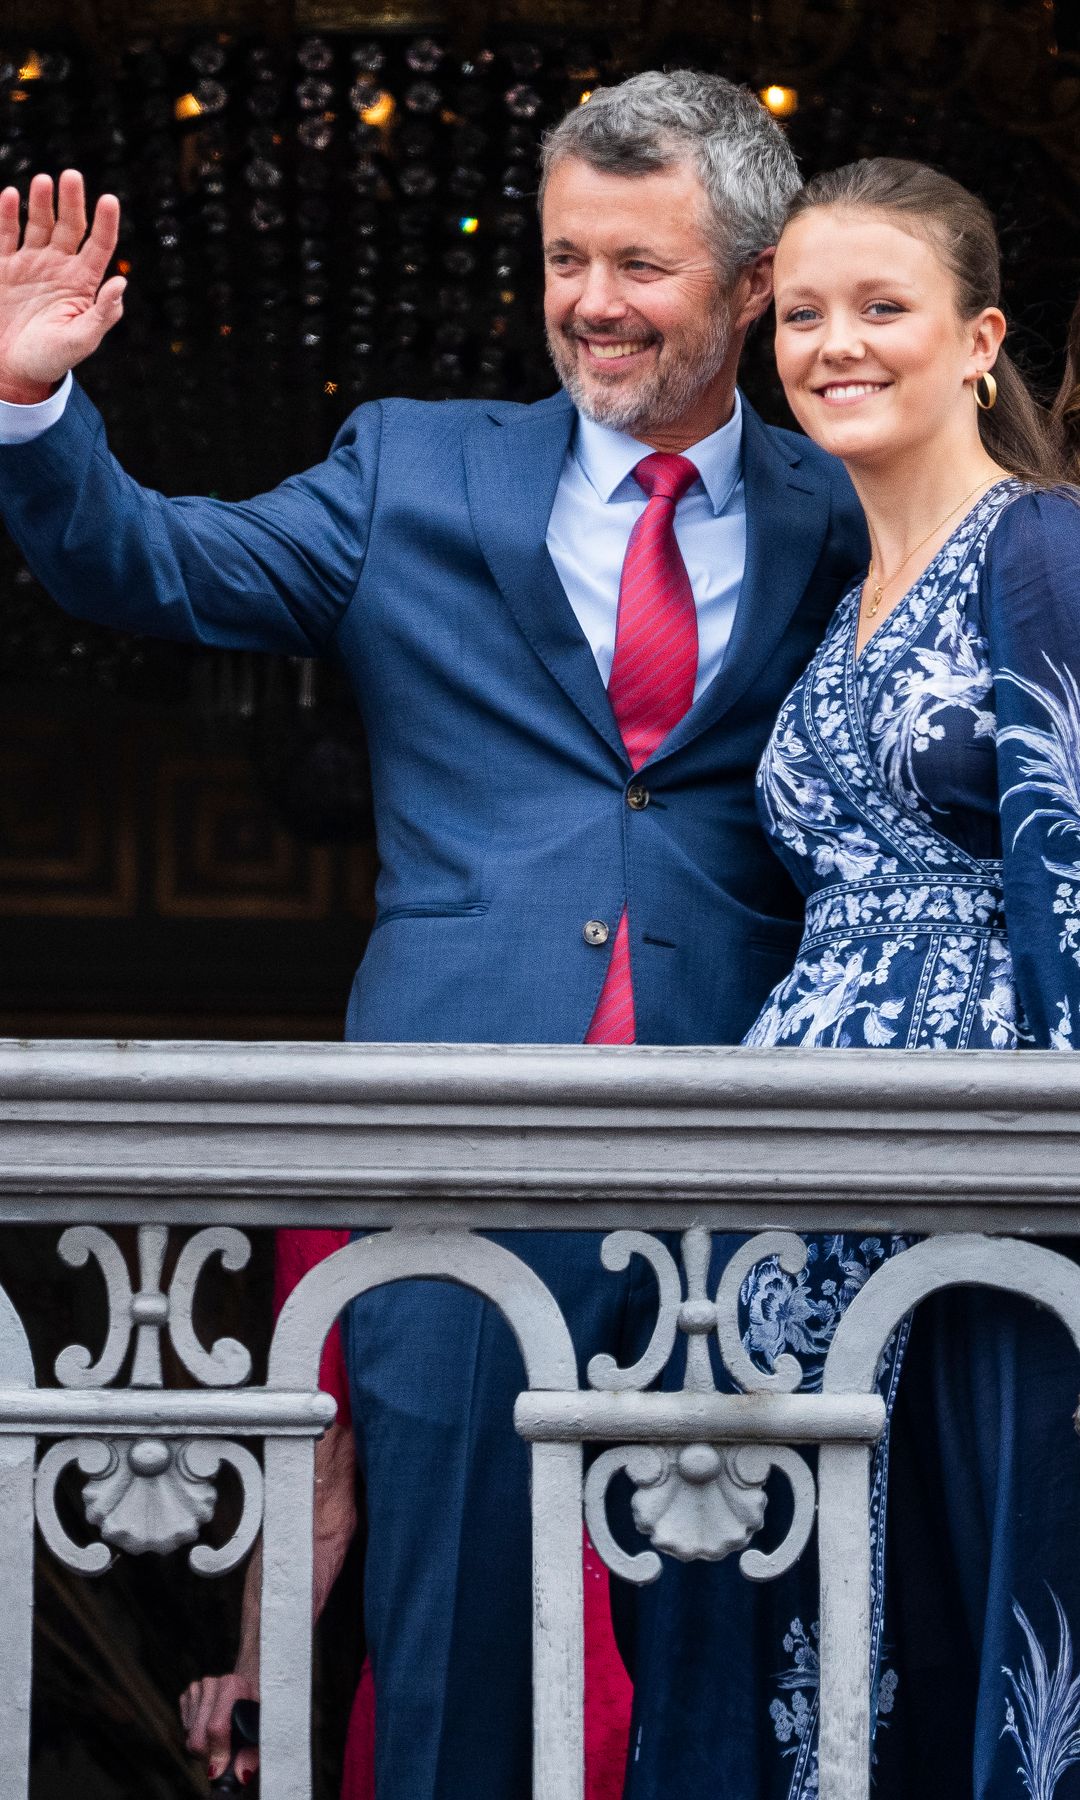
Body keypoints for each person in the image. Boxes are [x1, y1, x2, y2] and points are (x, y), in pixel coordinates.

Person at [0, 71, 868, 1799]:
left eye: (643, 264)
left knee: (750, 1624)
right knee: (461, 1612)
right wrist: (33, 407)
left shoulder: (839, 499)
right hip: (455, 1130)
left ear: (755, 284)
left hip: (757, 1139)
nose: (593, 303)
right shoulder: (408, 463)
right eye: (565, 259)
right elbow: (153, 567)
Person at [626, 159, 1080, 1800]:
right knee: (795, 1629)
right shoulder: (833, 609)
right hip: (799, 1189)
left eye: (883, 308)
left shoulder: (1047, 557)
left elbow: (1075, 884)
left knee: (971, 1601)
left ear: (978, 340)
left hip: (984, 1190)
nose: (835, 343)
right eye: (803, 313)